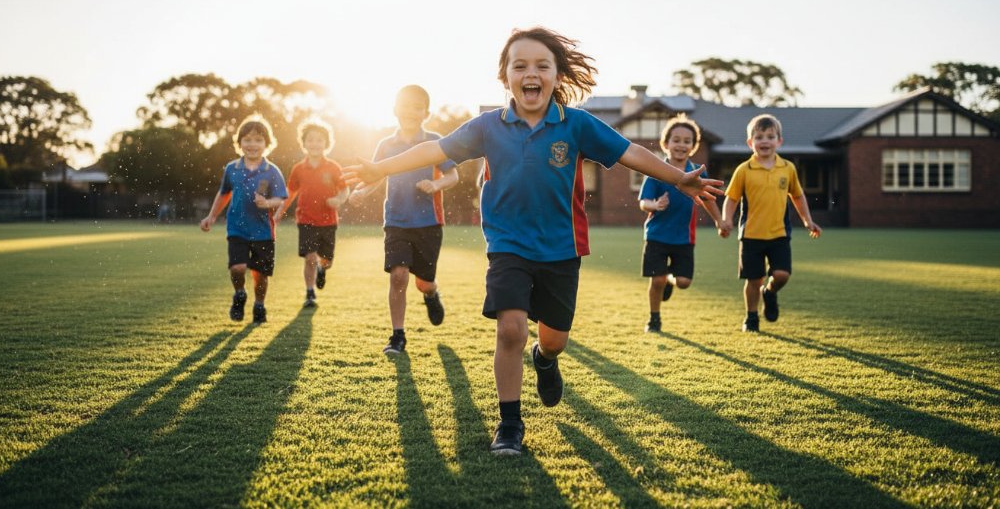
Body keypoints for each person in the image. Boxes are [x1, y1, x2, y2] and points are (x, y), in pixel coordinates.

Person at [344, 27, 723, 456]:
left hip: (562, 248)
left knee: (554, 338)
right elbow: (435, 152)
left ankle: (545, 359)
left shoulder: (576, 124)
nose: (531, 73)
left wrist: (678, 178)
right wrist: (382, 169)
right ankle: (509, 425)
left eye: (542, 65)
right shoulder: (488, 127)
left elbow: (628, 152)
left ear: (557, 76)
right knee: (510, 330)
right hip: (507, 246)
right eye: (519, 65)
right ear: (505, 77)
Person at [348, 85, 459, 356]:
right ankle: (398, 336)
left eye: (417, 107)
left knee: (424, 282)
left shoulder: (435, 141)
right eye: (405, 105)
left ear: (426, 113)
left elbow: (454, 176)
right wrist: (362, 191)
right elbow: (376, 175)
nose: (410, 112)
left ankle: (431, 295)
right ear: (395, 109)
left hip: (429, 223)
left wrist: (436, 185)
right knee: (398, 276)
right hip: (396, 221)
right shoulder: (386, 145)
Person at [719, 113, 822, 333]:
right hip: (751, 235)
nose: (764, 141)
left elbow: (798, 196)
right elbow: (732, 198)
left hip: (779, 234)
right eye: (759, 137)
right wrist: (726, 219)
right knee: (753, 280)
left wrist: (808, 221)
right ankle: (751, 317)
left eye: (770, 136)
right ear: (750, 142)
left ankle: (771, 292)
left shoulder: (787, 168)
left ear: (779, 141)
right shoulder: (744, 170)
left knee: (782, 275)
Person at [638, 115, 725, 333]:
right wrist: (655, 205)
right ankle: (654, 319)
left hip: (684, 237)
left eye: (687, 141)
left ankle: (670, 279)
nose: (681, 145)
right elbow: (643, 202)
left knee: (684, 281)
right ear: (665, 144)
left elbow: (707, 199)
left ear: (693, 146)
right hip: (656, 235)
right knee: (655, 281)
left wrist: (719, 221)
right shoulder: (656, 171)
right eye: (676, 140)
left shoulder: (697, 173)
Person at [199, 115, 288, 324]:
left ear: (267, 143)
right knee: (237, 268)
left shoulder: (272, 171)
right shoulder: (232, 168)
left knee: (260, 274)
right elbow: (224, 193)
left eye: (258, 140)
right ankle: (239, 294)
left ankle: (259, 305)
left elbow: (281, 200)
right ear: (239, 143)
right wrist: (211, 217)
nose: (252, 144)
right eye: (247, 139)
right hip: (237, 228)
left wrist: (267, 203)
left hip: (263, 231)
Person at [275, 119, 349, 308]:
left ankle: (322, 270)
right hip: (306, 219)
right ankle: (310, 293)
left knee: (327, 260)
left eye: (319, 140)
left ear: (327, 143)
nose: (315, 144)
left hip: (328, 221)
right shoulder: (299, 168)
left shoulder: (333, 167)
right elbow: (289, 192)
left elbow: (344, 189)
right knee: (309, 257)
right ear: (304, 143)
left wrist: (339, 200)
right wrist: (279, 213)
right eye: (311, 140)